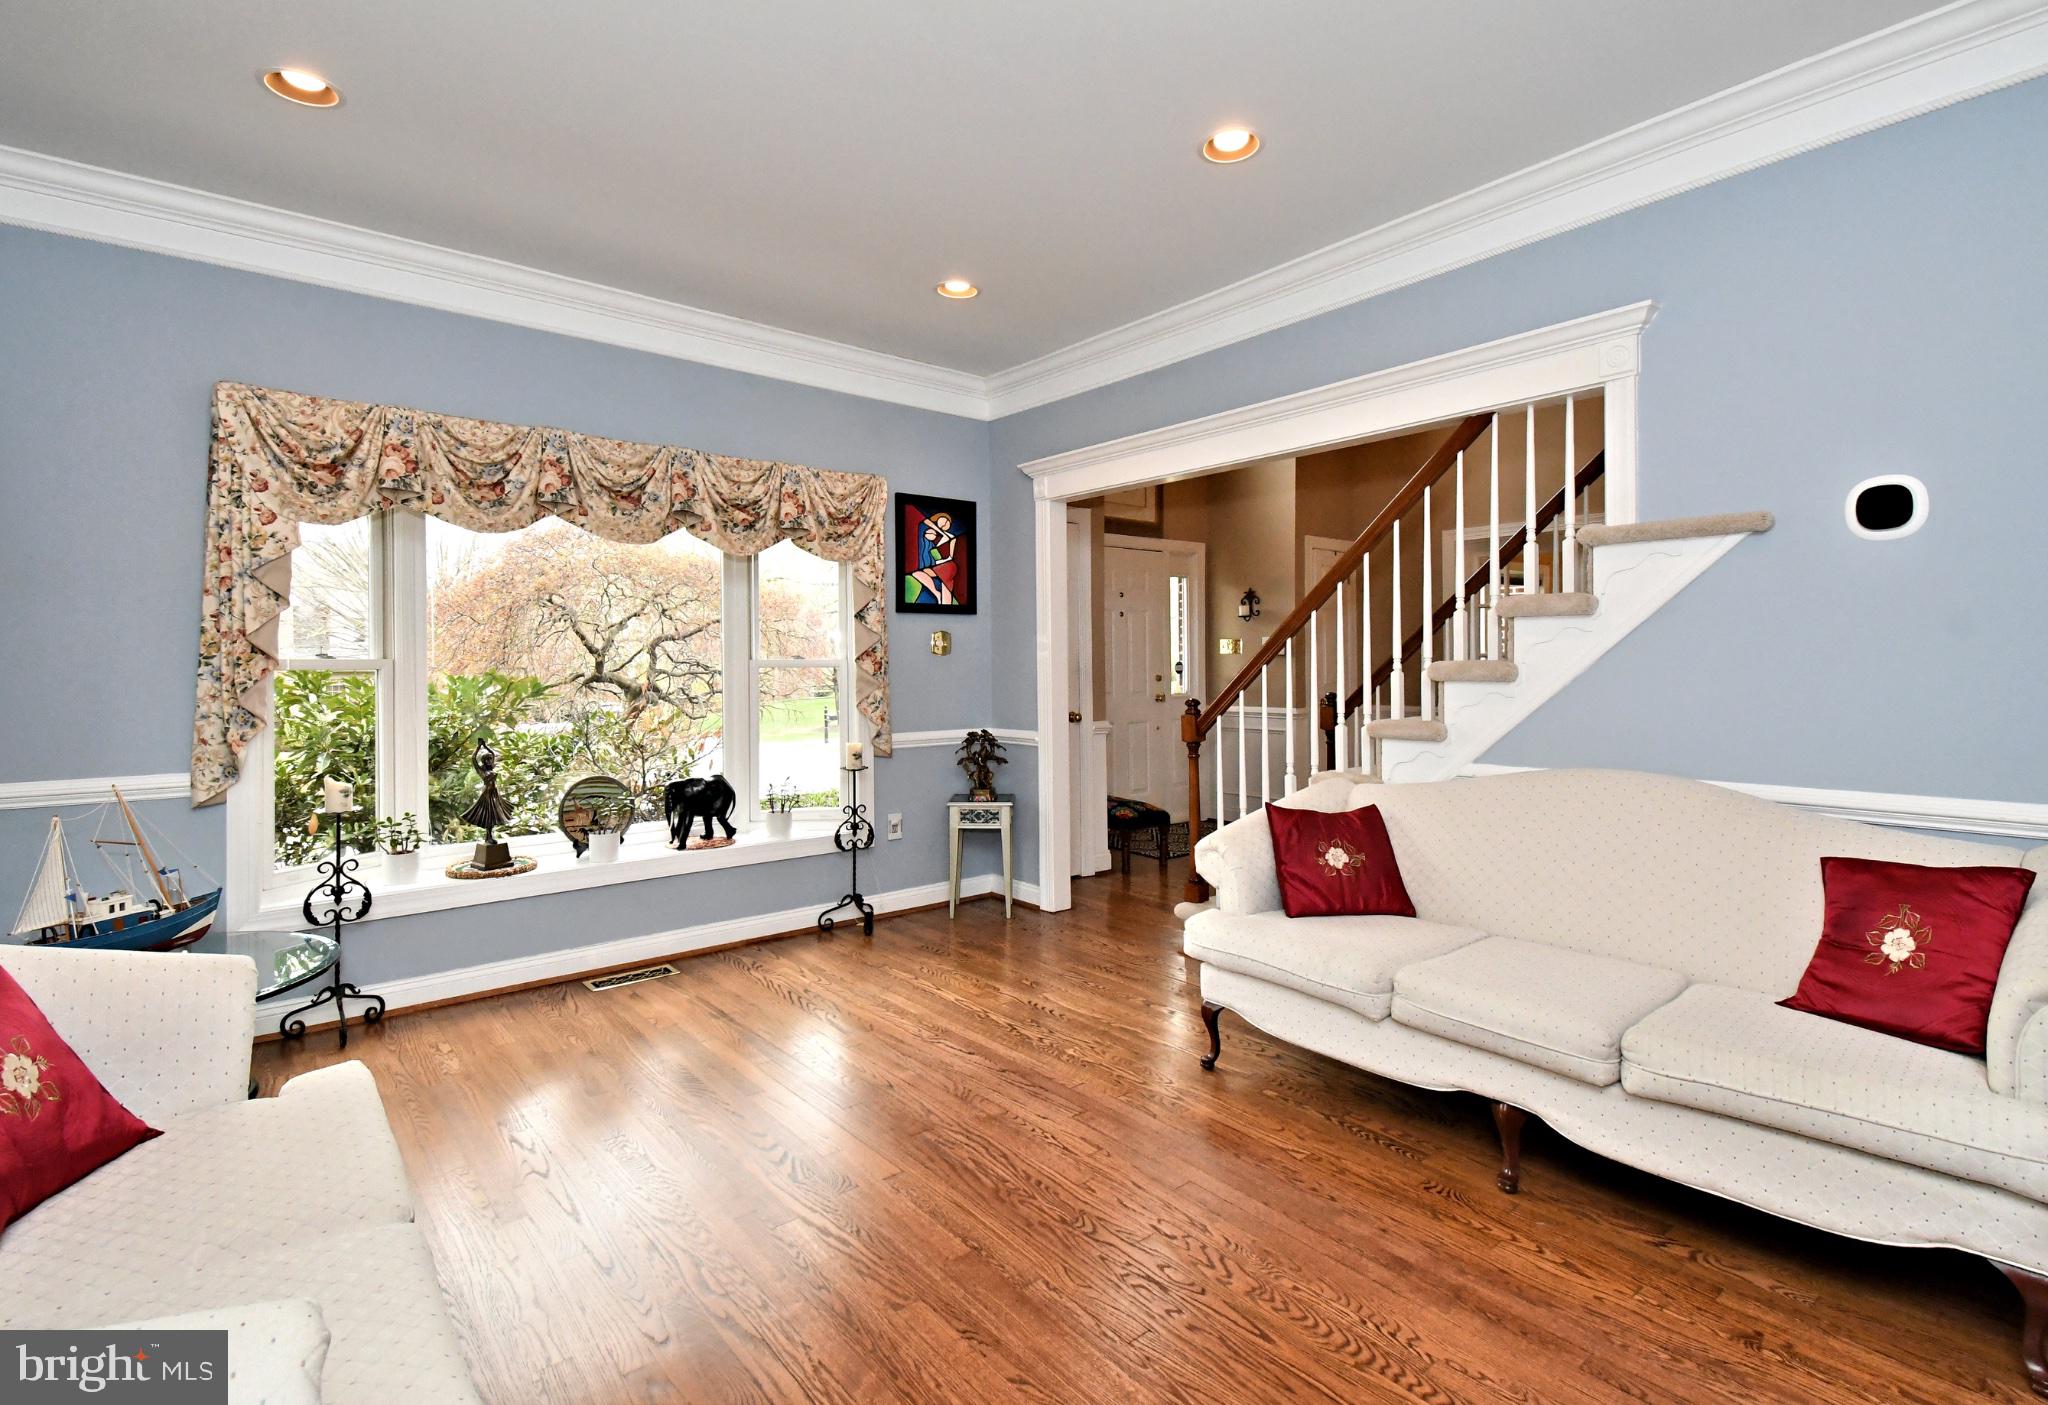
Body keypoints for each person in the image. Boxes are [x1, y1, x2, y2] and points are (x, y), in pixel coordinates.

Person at [907, 510, 959, 605]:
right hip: (931, 568)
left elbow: (953, 540)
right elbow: (925, 522)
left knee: (944, 582)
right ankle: (938, 595)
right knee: (917, 573)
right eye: (945, 520)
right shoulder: (924, 527)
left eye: (947, 525)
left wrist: (948, 557)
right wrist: (941, 532)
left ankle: (942, 599)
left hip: (945, 566)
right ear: (939, 516)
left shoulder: (934, 545)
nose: (945, 524)